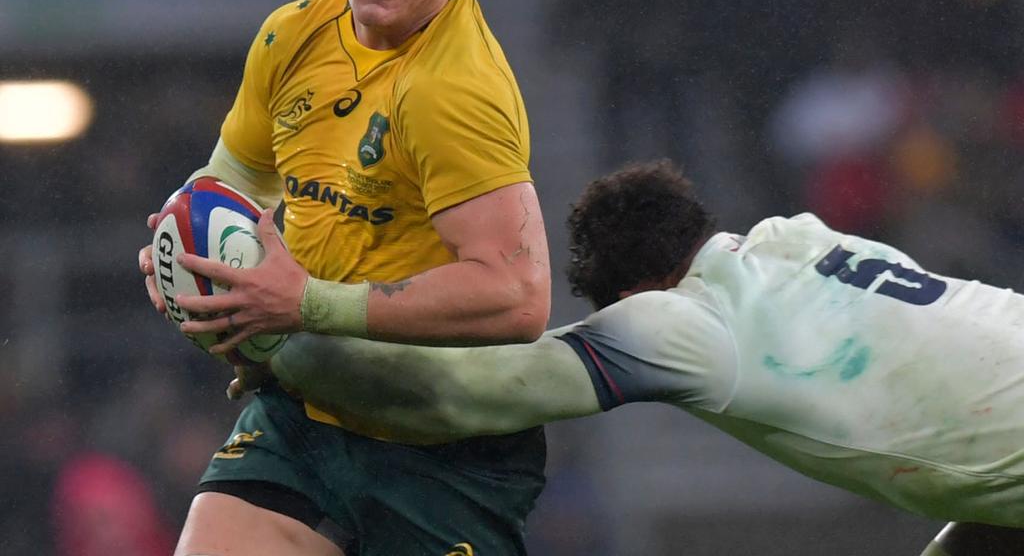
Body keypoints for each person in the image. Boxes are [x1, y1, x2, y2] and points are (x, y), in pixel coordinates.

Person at [137, 0, 551, 556]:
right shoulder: (292, 33)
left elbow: (518, 296)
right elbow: (229, 179)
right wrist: (184, 244)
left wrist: (304, 304)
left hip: (443, 448)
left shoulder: (456, 90)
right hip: (307, 413)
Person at [252, 160, 1024, 555]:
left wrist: (290, 339)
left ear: (631, 296)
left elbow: (455, 397)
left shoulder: (685, 325)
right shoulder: (802, 240)